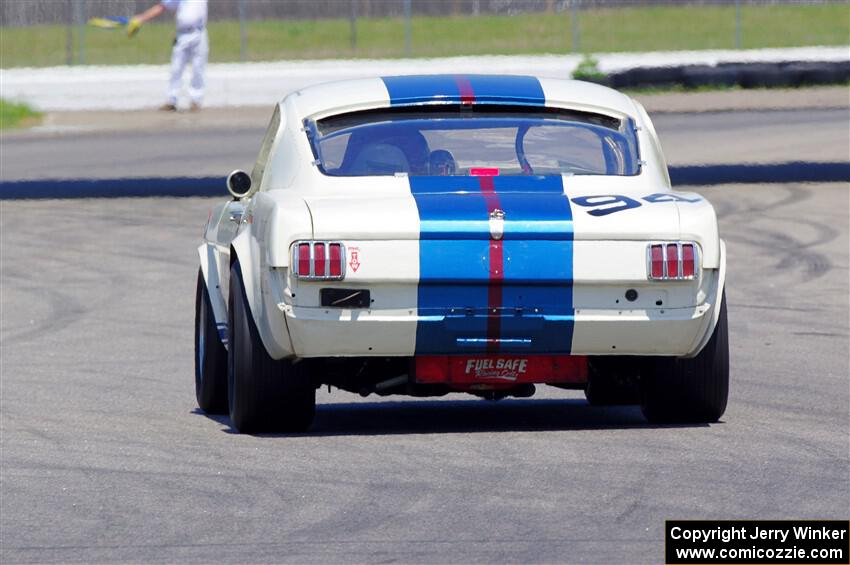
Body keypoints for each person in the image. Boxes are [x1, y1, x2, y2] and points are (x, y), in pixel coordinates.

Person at [128, 0, 208, 112]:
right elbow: (162, 6)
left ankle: (196, 100)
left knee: (198, 68)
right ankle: (171, 100)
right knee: (176, 68)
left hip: (198, 33)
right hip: (182, 34)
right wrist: (141, 18)